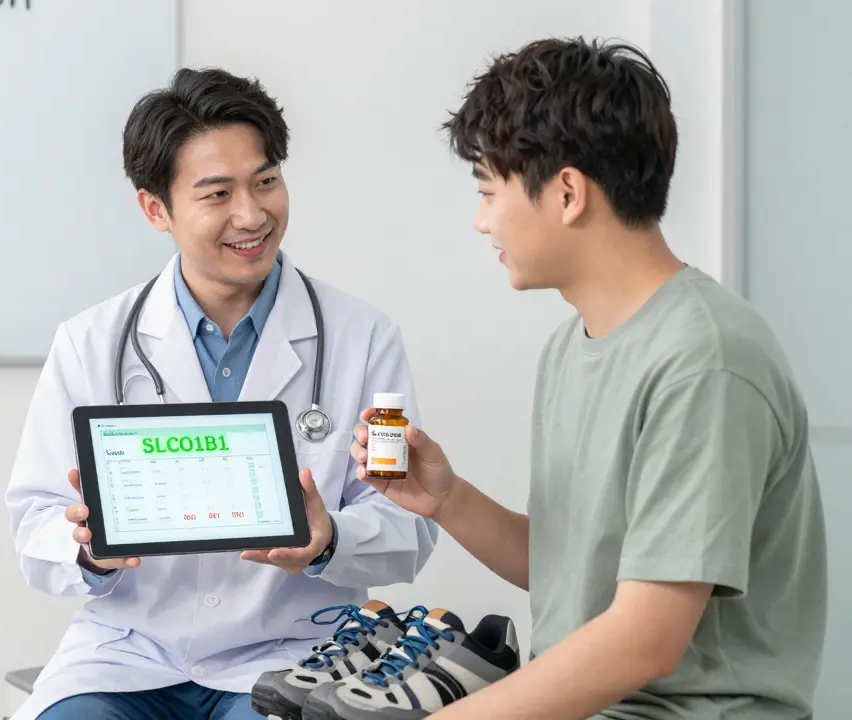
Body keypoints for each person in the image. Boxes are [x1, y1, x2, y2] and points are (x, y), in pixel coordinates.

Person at [337, 37, 827, 719]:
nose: (481, 220)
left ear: (567, 192)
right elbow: (575, 574)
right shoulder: (574, 346)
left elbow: (644, 641)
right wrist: (447, 499)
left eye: (488, 191)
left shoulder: (705, 361)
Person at [4, 67, 438, 720]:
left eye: (265, 181)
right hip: (129, 650)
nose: (252, 214)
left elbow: (406, 522)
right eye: (217, 193)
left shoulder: (362, 338)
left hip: (297, 650)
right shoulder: (90, 343)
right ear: (157, 209)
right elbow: (36, 517)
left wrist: (328, 539)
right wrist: (88, 552)